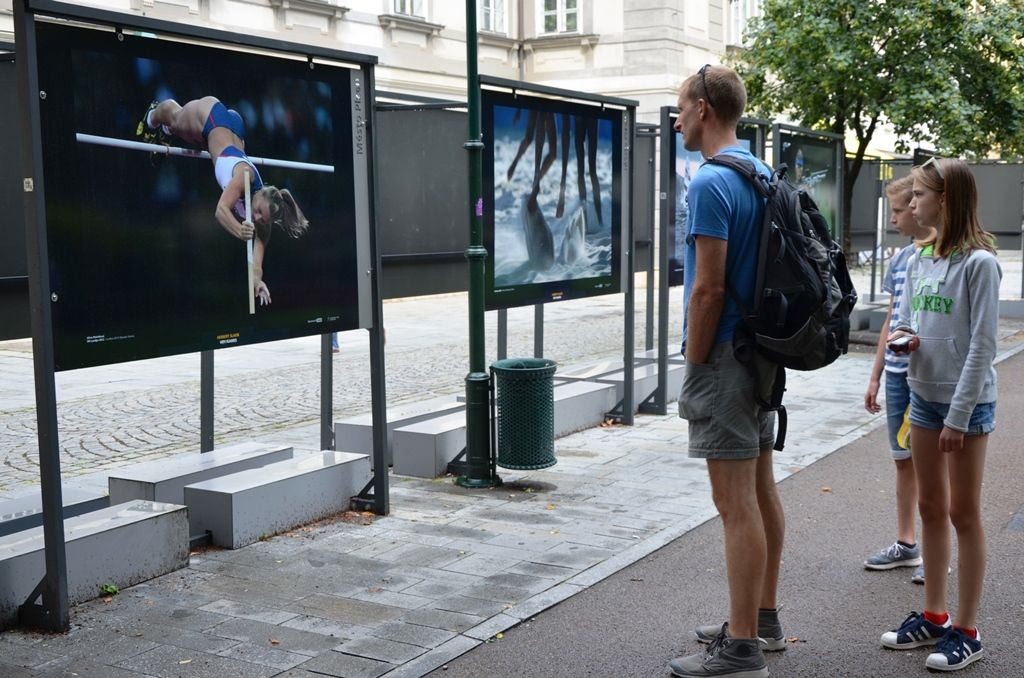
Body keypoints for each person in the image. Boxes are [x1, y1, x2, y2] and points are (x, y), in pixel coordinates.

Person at [669, 64, 781, 678]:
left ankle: (742, 648)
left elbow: (707, 289)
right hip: (761, 353)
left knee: (734, 503)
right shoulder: (758, 171)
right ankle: (761, 619)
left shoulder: (712, 181)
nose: (676, 119)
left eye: (681, 107)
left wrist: (694, 361)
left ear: (704, 109)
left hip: (725, 356)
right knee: (760, 491)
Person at [880, 158, 1000, 672]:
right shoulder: (918, 257)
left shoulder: (980, 264)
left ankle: (967, 631)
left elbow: (983, 346)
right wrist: (904, 338)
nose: (911, 204)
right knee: (930, 507)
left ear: (946, 200)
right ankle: (934, 615)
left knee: (962, 513)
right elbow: (907, 319)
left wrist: (959, 416)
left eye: (920, 196)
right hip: (923, 396)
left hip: (964, 406)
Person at [137, 96, 309, 305]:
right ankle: (153, 116)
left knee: (192, 139)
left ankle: (166, 132)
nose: (256, 218)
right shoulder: (244, 177)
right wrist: (240, 231)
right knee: (174, 119)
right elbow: (221, 210)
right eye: (257, 212)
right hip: (212, 118)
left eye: (261, 219)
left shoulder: (266, 211)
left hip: (231, 134)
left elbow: (258, 252)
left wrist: (257, 280)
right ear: (261, 192)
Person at [862, 175, 935, 583]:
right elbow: (891, 320)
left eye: (897, 210)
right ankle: (907, 544)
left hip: (927, 377)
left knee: (934, 466)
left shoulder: (945, 257)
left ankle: (937, 550)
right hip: (896, 374)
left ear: (918, 207)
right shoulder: (901, 259)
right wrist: (875, 375)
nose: (892, 219)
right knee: (903, 460)